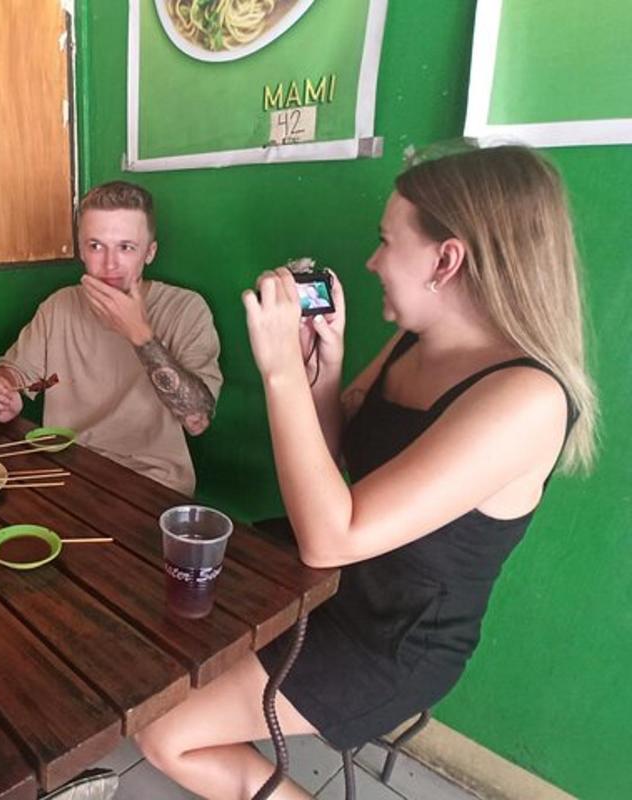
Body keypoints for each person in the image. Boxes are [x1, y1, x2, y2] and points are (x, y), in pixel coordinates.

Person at [133, 145, 596, 799]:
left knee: (163, 731)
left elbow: (332, 532)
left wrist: (279, 375)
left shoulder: (525, 399)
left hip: (389, 638)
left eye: (385, 242)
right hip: (330, 577)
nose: (374, 261)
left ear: (447, 259)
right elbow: (337, 460)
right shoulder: (416, 338)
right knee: (162, 592)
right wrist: (321, 372)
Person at [0, 181, 223, 496]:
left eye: (126, 247)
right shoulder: (60, 305)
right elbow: (15, 373)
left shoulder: (186, 308)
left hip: (153, 482)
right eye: (96, 246)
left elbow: (197, 419)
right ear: (81, 249)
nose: (110, 264)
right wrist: (4, 390)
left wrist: (139, 334)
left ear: (149, 253)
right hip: (67, 470)